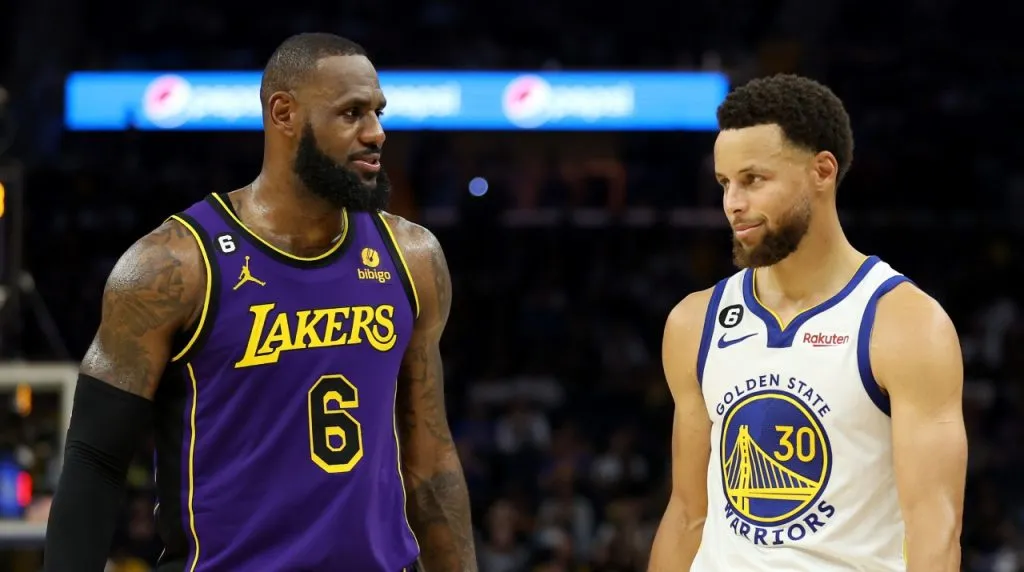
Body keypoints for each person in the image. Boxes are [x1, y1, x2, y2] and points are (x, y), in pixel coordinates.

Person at [44, 33, 477, 572]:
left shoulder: (411, 257)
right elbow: (96, 459)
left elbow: (431, 463)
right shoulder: (174, 265)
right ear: (284, 113)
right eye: (351, 114)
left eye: (378, 113)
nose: (376, 133)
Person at [648, 74, 966, 571]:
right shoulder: (694, 321)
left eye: (753, 180)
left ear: (822, 171)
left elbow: (935, 530)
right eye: (724, 183)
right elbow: (688, 513)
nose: (733, 203)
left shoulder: (904, 323)